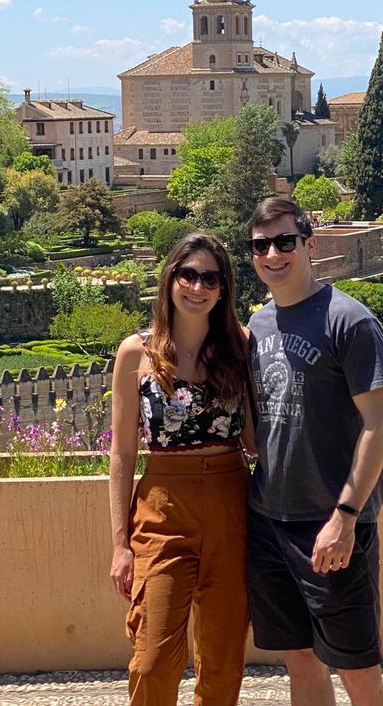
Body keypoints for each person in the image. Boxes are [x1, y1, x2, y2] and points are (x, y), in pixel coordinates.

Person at [245, 196, 383, 706]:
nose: (273, 254)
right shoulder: (259, 326)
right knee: (301, 663)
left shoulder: (349, 321)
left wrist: (345, 517)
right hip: (269, 522)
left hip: (332, 525)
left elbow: (380, 422)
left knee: (359, 676)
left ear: (309, 244)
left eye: (285, 241)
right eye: (261, 246)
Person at [109, 231, 255, 706]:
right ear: (169, 279)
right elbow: (122, 454)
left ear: (223, 288)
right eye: (187, 274)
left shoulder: (241, 345)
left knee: (223, 663)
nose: (197, 286)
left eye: (210, 278)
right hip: (162, 510)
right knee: (152, 660)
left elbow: (254, 439)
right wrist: (120, 545)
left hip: (231, 506)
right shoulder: (137, 352)